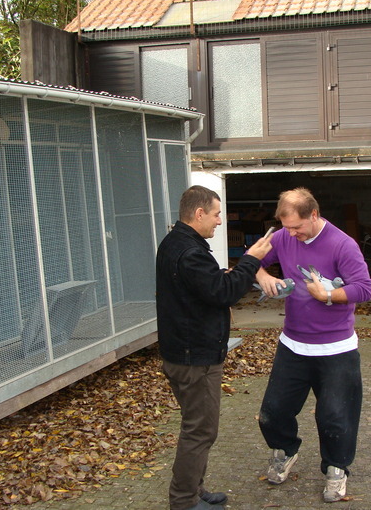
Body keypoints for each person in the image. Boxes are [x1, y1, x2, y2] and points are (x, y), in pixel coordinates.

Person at [156, 185, 272, 510]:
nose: (220, 221)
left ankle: (193, 490)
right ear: (199, 214)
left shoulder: (177, 243)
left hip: (184, 352)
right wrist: (250, 260)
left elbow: (203, 288)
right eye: (217, 214)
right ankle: (184, 502)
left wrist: (226, 275)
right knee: (201, 431)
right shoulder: (190, 251)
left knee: (196, 427)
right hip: (195, 359)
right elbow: (223, 293)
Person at [254, 187, 371, 503]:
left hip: (336, 350)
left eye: (296, 227)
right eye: (286, 227)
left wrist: (329, 295)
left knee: (335, 417)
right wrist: (263, 274)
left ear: (314, 215)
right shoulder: (282, 237)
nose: (291, 234)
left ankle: (336, 470)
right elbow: (252, 260)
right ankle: (286, 450)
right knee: (272, 412)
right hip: (292, 345)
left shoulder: (342, 245)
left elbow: (365, 288)